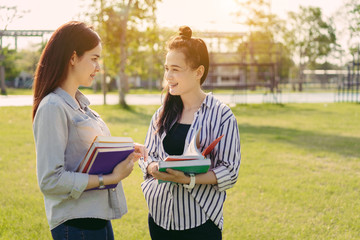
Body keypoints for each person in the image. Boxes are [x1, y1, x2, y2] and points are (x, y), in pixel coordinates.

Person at [32, 21, 145, 240]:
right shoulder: (53, 107)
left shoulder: (81, 105)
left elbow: (88, 151)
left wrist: (126, 149)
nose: (98, 68)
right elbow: (50, 180)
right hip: (75, 226)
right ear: (73, 58)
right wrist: (109, 178)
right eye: (94, 59)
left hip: (96, 220)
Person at [138, 26, 241, 240]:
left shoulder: (222, 115)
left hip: (200, 222)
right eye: (166, 68)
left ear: (198, 72)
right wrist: (151, 166)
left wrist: (189, 180)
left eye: (175, 69)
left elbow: (230, 172)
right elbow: (147, 155)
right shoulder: (161, 113)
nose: (168, 76)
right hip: (159, 218)